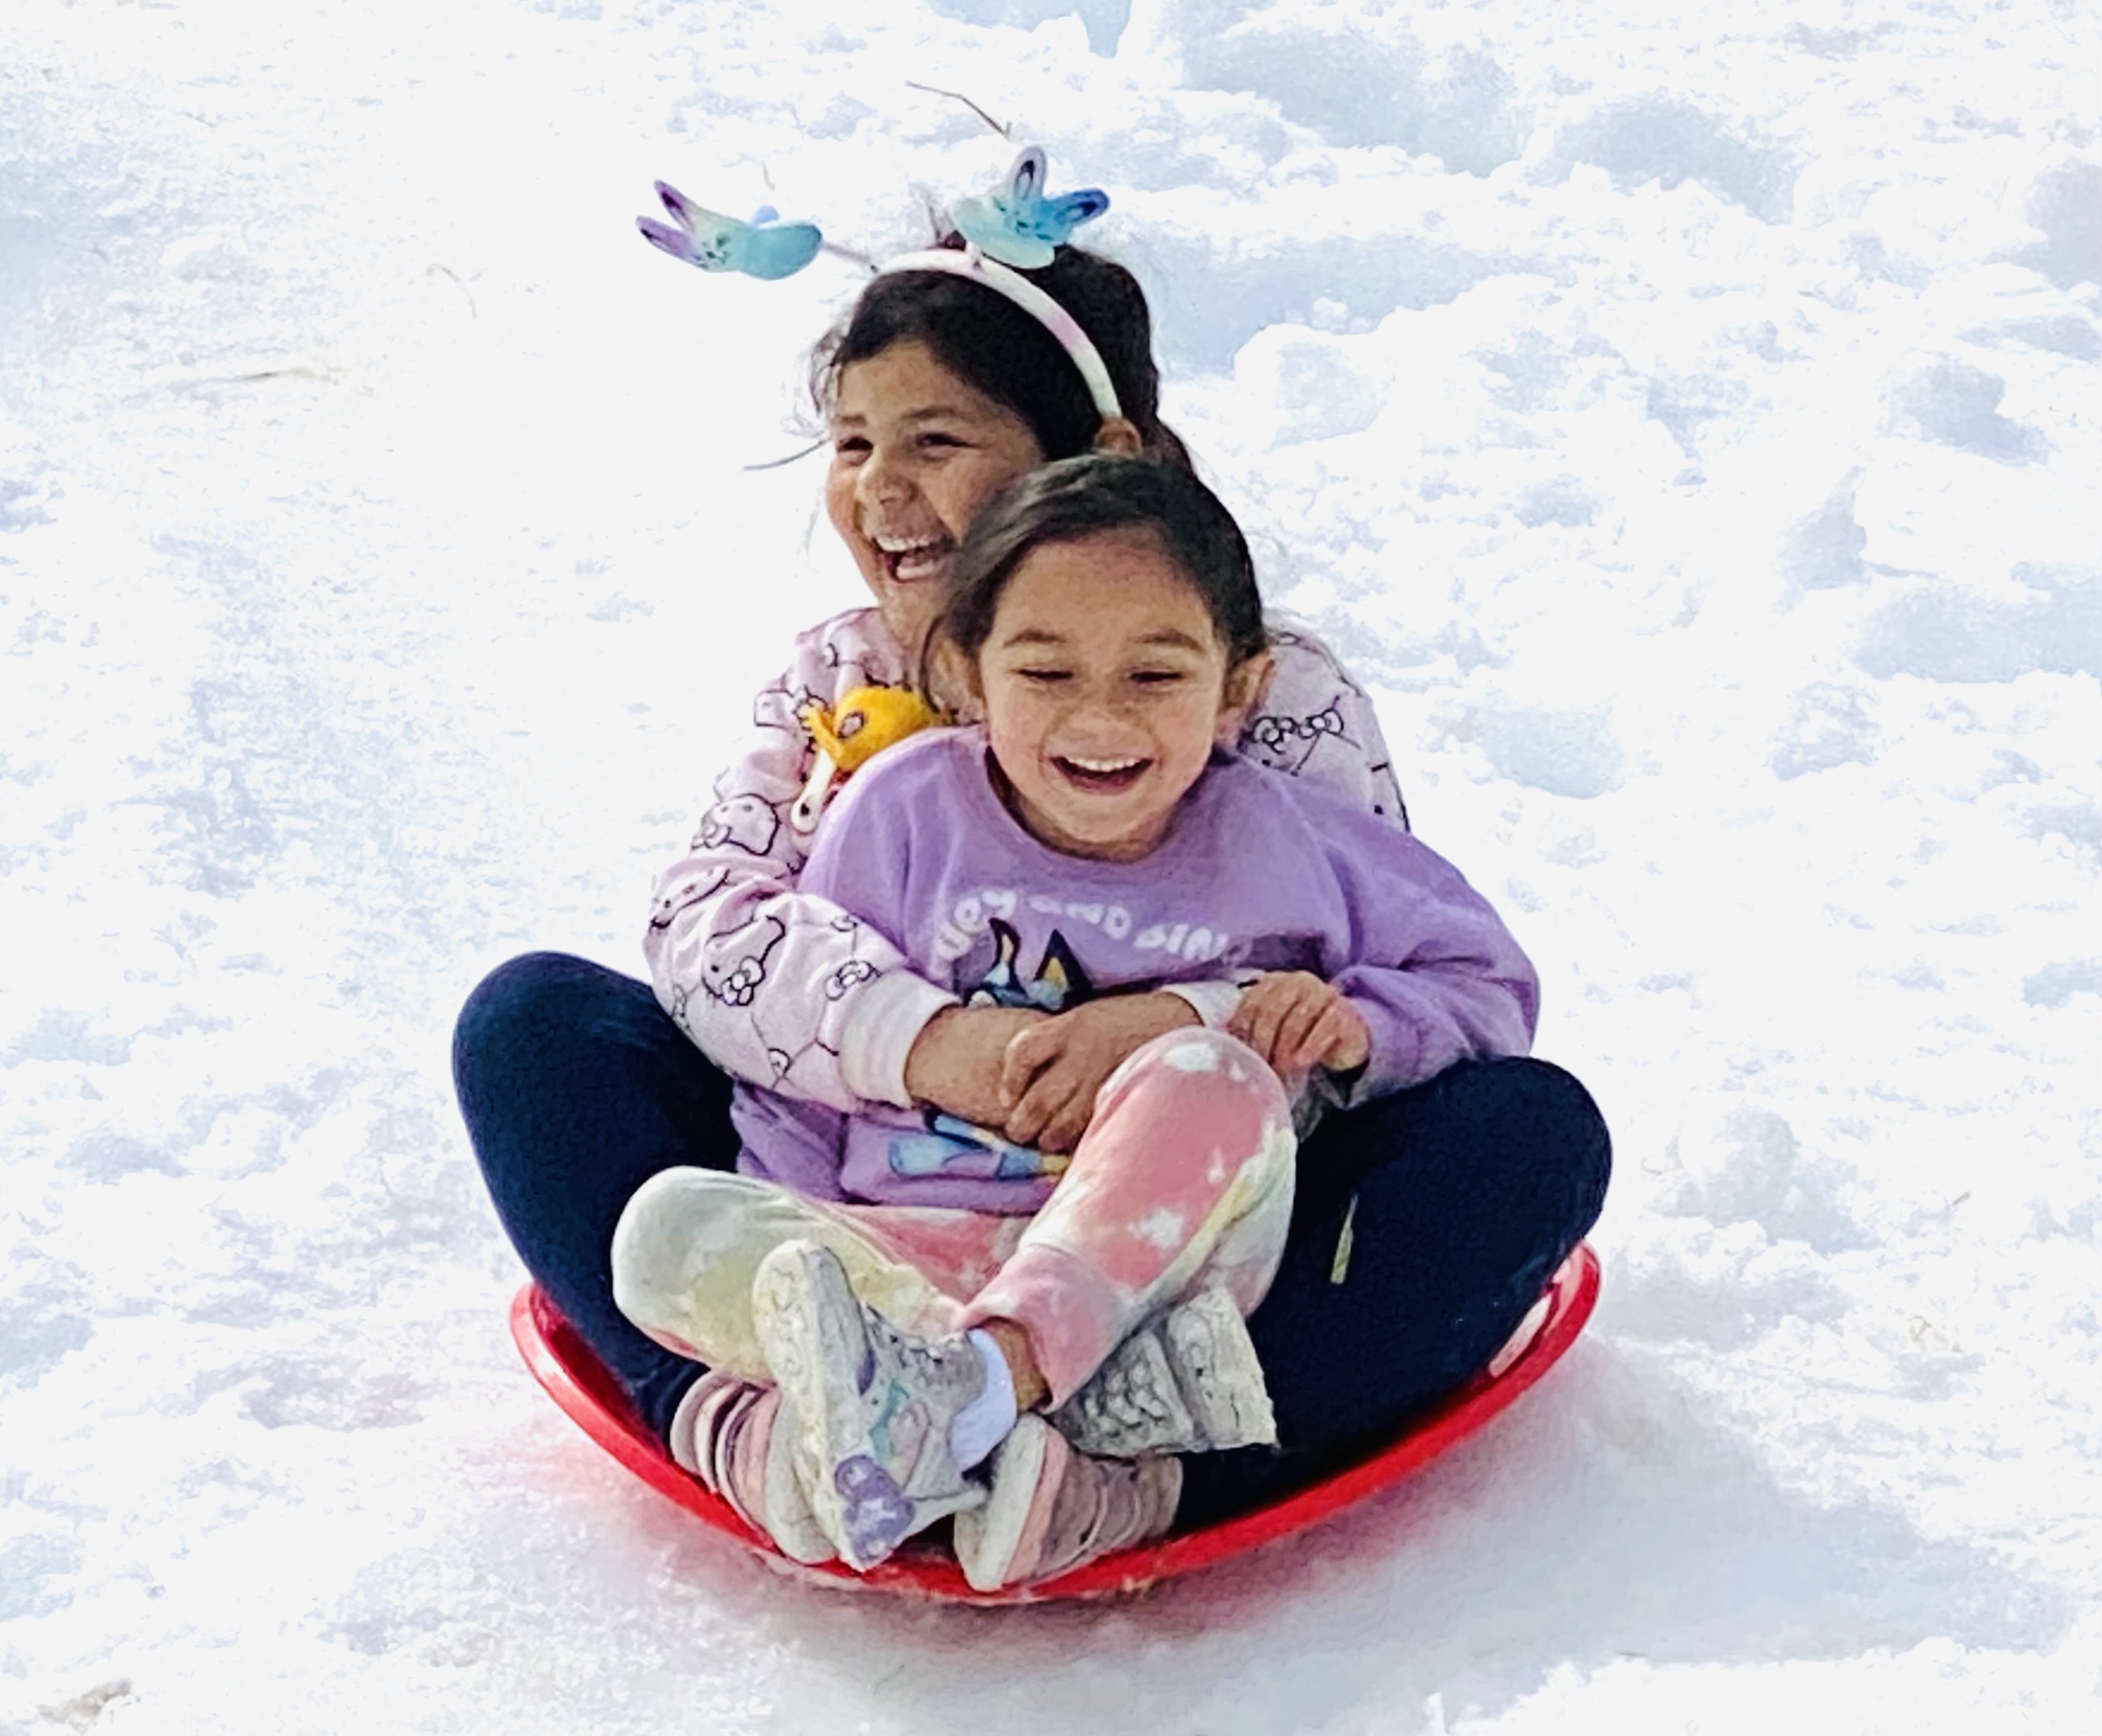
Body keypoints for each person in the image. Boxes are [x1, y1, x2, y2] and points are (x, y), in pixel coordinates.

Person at [452, 209, 1609, 1578]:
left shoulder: (1261, 692)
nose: (883, 488)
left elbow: (1392, 976)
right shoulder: (844, 693)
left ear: (1093, 455)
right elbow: (710, 938)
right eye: (853, 444)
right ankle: (764, 1431)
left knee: (1524, 1133)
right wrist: (936, 1044)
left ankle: (1128, 1473)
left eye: (936, 441)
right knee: (534, 1029)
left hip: (1190, 1234)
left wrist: (1192, 1023)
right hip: (890, 1184)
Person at [607, 454, 1540, 1588]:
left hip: (1151, 1274)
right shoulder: (902, 812)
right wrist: (804, 1223)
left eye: (1156, 673)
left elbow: (1487, 980)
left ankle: (968, 1393)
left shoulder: (1289, 838)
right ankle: (971, 1437)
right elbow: (803, 1078)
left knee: (1206, 1072)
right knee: (660, 1232)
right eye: (1046, 670)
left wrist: (1353, 1025)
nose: (1100, 715)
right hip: (909, 1251)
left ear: (1238, 689)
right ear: (966, 673)